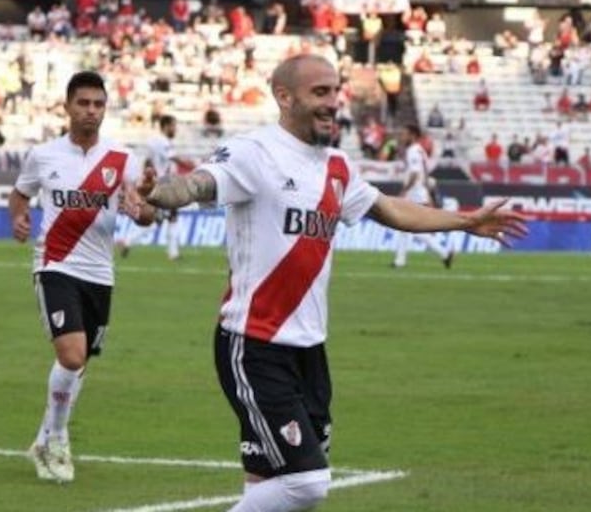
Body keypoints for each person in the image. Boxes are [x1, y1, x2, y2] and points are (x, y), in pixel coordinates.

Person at [130, 55, 526, 512]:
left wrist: (463, 221)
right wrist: (157, 192)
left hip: (309, 350)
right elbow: (197, 185)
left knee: (266, 486)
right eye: (320, 92)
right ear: (285, 96)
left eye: (334, 92)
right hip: (254, 343)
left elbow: (390, 209)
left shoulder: (337, 167)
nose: (332, 102)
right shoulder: (253, 152)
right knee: (308, 483)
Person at [8, 71, 154, 483]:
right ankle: (57, 438)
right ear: (68, 106)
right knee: (71, 356)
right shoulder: (44, 155)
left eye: (98, 104)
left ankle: (42, 439)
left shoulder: (122, 159)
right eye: (83, 103)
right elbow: (20, 194)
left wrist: (137, 208)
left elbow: (146, 215)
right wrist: (18, 219)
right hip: (55, 265)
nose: (91, 111)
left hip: (100, 274)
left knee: (78, 366)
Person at [119, 115, 193, 260]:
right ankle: (171, 253)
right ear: (165, 126)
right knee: (162, 218)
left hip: (162, 184)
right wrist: (192, 165)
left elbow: (148, 161)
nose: (175, 129)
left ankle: (172, 253)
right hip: (163, 186)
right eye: (173, 126)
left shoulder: (155, 141)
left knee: (168, 217)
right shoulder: (162, 141)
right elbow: (174, 158)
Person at [391, 124, 454, 269]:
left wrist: (404, 190)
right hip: (419, 191)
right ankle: (401, 261)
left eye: (405, 134)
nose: (402, 136)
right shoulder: (420, 149)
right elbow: (425, 173)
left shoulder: (413, 150)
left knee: (410, 227)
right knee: (405, 227)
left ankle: (443, 253)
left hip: (415, 193)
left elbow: (414, 173)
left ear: (412, 135)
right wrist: (427, 190)